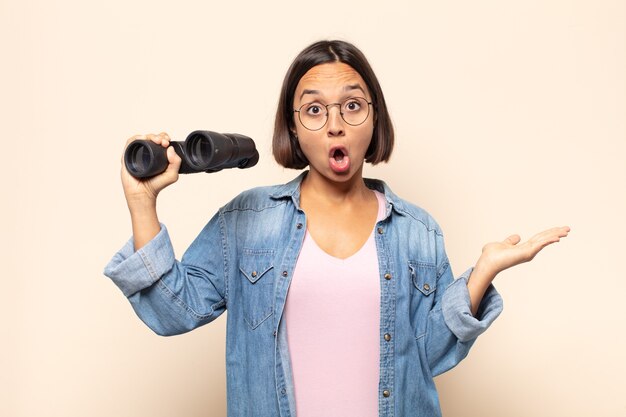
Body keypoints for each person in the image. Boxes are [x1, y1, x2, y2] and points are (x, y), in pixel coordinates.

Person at [104, 40, 570, 417]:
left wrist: (481, 273)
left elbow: (428, 356)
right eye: (314, 110)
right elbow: (173, 313)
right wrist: (142, 203)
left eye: (352, 106)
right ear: (293, 126)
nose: (335, 126)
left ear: (374, 118)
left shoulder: (416, 230)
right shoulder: (247, 221)